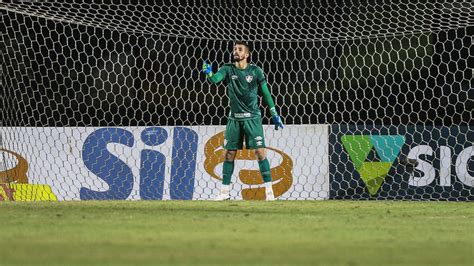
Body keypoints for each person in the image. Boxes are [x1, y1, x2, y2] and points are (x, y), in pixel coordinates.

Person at [201, 41, 284, 201]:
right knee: (229, 154)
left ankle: (269, 193)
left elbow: (266, 93)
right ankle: (224, 192)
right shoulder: (227, 69)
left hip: (252, 118)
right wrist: (209, 73)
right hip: (234, 119)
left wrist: (274, 112)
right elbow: (216, 80)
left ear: (247, 54)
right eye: (234, 49)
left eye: (240, 49)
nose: (236, 52)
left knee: (260, 153)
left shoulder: (255, 71)